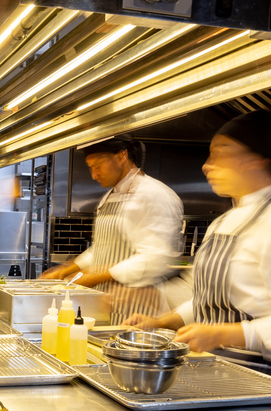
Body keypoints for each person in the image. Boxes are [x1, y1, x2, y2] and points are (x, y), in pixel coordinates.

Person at [126, 111, 271, 390]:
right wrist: (162, 322)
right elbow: (212, 299)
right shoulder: (226, 220)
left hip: (269, 382)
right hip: (218, 374)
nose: (207, 166)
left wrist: (225, 334)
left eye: (219, 154)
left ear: (255, 159)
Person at [40, 138, 183, 323]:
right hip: (107, 303)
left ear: (122, 156)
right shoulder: (108, 197)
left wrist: (96, 276)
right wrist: (67, 269)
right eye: (90, 167)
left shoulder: (155, 195)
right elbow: (103, 248)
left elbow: (157, 257)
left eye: (98, 165)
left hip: (140, 310)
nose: (93, 175)